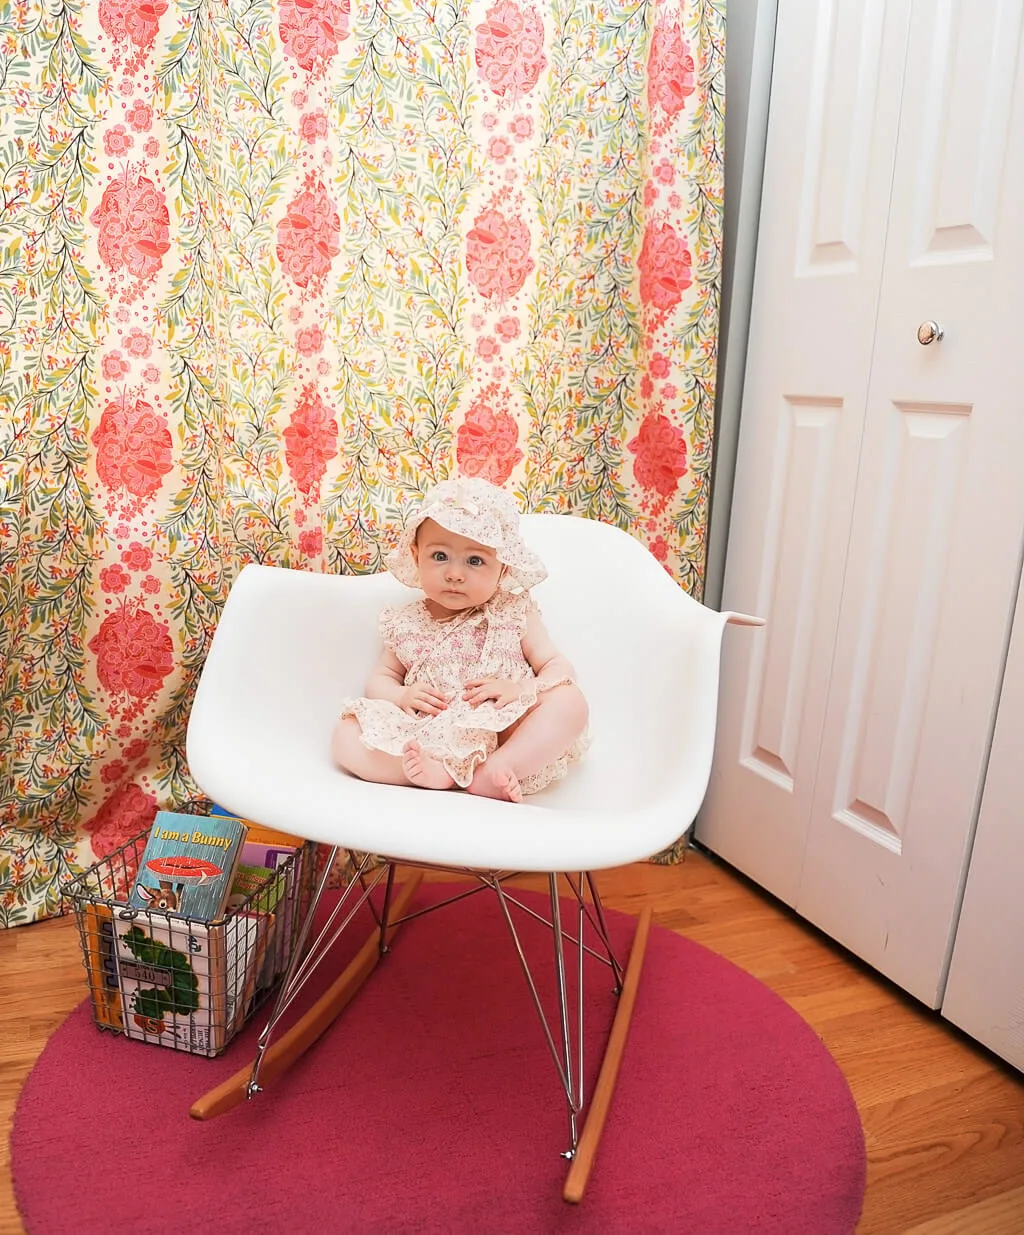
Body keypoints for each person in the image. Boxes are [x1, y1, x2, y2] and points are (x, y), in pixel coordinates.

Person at [331, 477, 589, 803]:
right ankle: (424, 773)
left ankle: (495, 769)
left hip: (500, 728)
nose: (454, 573)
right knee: (346, 735)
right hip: (430, 732)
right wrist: (402, 695)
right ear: (415, 555)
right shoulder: (408, 622)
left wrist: (521, 690)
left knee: (570, 702)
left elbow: (556, 666)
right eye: (440, 556)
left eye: (475, 561)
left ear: (503, 568)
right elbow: (381, 679)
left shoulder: (514, 612)